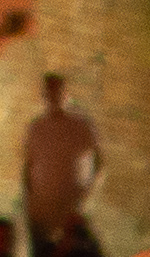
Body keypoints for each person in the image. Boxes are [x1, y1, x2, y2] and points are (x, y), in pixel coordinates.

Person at [20, 74, 102, 245]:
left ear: (65, 93)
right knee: (42, 255)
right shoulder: (36, 127)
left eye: (57, 91)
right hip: (39, 210)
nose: (52, 96)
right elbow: (28, 166)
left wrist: (85, 195)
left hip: (69, 208)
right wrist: (28, 202)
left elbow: (98, 162)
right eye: (49, 92)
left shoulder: (80, 126)